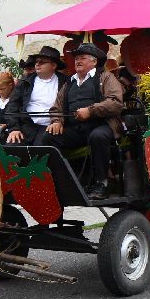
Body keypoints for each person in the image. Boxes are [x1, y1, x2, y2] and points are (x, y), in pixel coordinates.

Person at [39, 43, 124, 201]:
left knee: (98, 137)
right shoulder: (70, 82)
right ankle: (61, 181)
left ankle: (102, 183)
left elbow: (115, 102)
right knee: (49, 137)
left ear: (94, 61)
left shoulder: (105, 77)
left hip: (102, 125)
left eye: (82, 58)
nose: (77, 61)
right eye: (76, 58)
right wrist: (57, 121)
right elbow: (56, 107)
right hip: (76, 129)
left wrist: (90, 111)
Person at [5, 46, 69, 145]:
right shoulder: (25, 82)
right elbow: (12, 105)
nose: (38, 64)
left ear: (53, 65)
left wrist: (59, 122)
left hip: (50, 128)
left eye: (42, 62)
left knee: (41, 152)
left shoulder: (66, 82)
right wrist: (14, 129)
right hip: (26, 127)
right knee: (11, 148)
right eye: (36, 61)